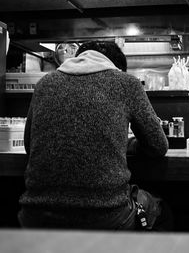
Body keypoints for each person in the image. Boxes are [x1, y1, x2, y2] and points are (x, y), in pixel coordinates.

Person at [18, 41, 172, 231]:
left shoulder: (44, 83)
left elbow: (29, 146)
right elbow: (158, 146)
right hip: (107, 216)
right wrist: (129, 144)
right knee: (161, 210)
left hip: (37, 217)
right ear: (117, 68)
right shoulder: (126, 83)